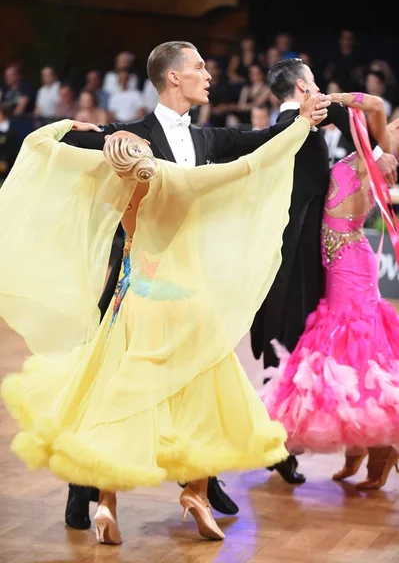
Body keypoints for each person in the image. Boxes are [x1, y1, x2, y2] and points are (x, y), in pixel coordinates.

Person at [0, 92, 322, 544]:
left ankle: (107, 505)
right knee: (202, 397)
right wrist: (301, 127)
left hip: (136, 301)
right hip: (188, 302)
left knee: (118, 397)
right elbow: (255, 162)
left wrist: (62, 127)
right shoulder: (182, 180)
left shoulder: (115, 178)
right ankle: (196, 495)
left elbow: (39, 149)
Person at [250, 58, 398, 485]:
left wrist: (381, 148)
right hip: (298, 264)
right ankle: (302, 445)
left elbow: (371, 111)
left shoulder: (354, 137)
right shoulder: (286, 132)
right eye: (313, 82)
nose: (321, 90)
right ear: (301, 85)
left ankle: (372, 450)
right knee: (303, 347)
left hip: (337, 260)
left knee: (350, 352)